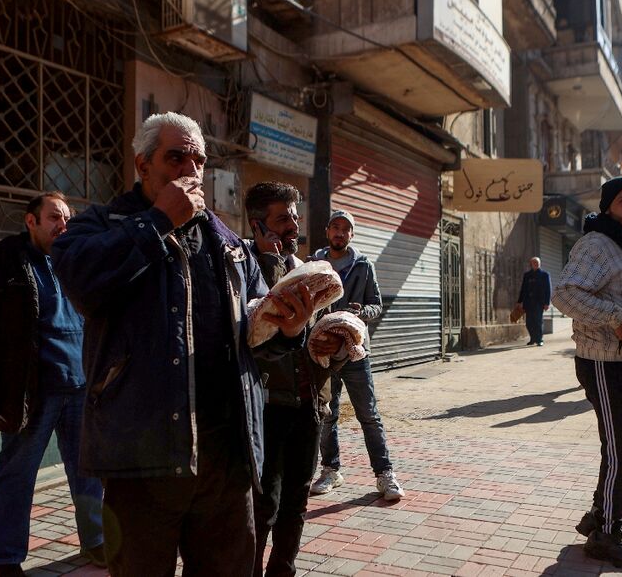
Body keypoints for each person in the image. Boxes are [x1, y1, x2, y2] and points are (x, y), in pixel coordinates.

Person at [51, 112, 315, 576]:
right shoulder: (103, 223)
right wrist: (157, 222)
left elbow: (255, 338)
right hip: (141, 461)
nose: (190, 170)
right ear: (142, 164)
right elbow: (81, 279)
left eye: (198, 159)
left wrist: (289, 330)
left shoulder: (229, 242)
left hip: (226, 462)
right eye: (175, 157)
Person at [0, 192, 105, 577]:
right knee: (16, 475)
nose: (63, 225)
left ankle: (96, 541)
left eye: (67, 218)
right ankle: (7, 558)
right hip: (31, 392)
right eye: (55, 217)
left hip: (80, 387)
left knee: (89, 472)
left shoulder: (73, 261)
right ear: (31, 221)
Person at [244, 182, 347, 577]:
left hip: (309, 404)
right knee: (263, 504)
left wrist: (336, 348)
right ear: (258, 225)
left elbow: (313, 341)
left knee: (296, 502)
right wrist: (270, 265)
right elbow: (251, 338)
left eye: (294, 216)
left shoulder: (301, 267)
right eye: (283, 218)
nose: (293, 225)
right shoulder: (243, 270)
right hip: (267, 407)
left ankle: (282, 570)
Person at [552, 175, 622, 570]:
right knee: (621, 449)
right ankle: (607, 535)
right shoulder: (597, 244)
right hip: (604, 361)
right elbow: (564, 293)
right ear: (609, 204)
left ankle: (600, 515)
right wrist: (616, 319)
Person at [310, 210, 405, 501]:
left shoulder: (364, 266)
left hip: (355, 352)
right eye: (335, 227)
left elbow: (376, 305)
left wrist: (362, 312)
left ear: (351, 235)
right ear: (327, 231)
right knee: (327, 414)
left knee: (369, 415)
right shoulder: (315, 264)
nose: (340, 233)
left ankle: (384, 474)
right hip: (324, 352)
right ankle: (330, 470)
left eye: (345, 229)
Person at [515, 257, 552, 346]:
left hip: (539, 303)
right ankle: (532, 338)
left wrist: (547, 303)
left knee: (538, 321)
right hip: (528, 303)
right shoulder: (527, 275)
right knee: (529, 323)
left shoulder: (544, 275)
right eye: (534, 262)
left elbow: (548, 289)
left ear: (539, 264)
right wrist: (519, 301)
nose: (535, 264)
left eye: (537, 262)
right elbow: (523, 289)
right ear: (531, 264)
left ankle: (539, 339)